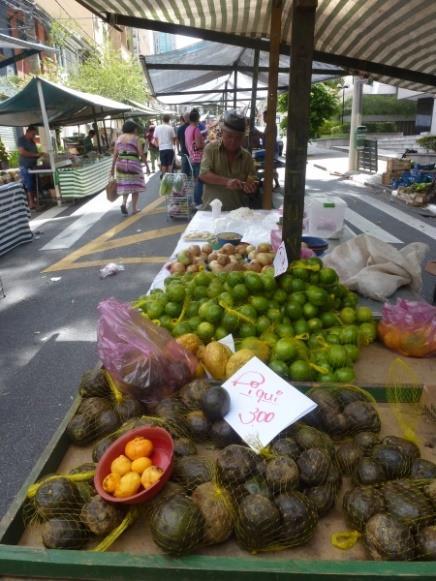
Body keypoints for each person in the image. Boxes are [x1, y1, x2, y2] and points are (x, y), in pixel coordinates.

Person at [199, 110, 257, 211]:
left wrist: (250, 187)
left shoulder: (247, 157)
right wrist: (227, 182)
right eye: (229, 136)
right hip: (211, 212)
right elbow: (203, 175)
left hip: (238, 213)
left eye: (238, 138)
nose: (233, 141)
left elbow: (252, 180)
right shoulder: (210, 149)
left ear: (243, 137)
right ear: (222, 132)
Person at [110, 119, 149, 216]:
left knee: (125, 185)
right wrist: (147, 166)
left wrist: (111, 169)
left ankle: (124, 203)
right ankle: (134, 208)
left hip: (121, 164)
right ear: (133, 129)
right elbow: (141, 153)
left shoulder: (119, 138)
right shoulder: (136, 138)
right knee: (135, 186)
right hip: (133, 164)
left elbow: (115, 155)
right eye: (135, 128)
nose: (136, 130)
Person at [18, 125, 44, 210]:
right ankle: (31, 203)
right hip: (25, 166)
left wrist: (40, 155)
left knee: (35, 183)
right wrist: (35, 155)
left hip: (33, 166)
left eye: (35, 135)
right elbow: (22, 152)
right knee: (29, 184)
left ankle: (36, 201)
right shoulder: (21, 140)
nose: (34, 136)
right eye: (33, 134)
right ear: (28, 132)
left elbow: (35, 153)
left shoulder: (32, 142)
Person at [185, 109, 205, 207]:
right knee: (199, 180)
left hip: (192, 157)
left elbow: (187, 144)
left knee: (196, 180)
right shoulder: (196, 129)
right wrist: (205, 143)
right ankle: (198, 202)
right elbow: (199, 145)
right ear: (197, 118)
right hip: (198, 158)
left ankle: (196, 201)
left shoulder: (187, 129)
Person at [261, 110, 280, 189]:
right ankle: (276, 184)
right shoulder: (269, 125)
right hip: (270, 149)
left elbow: (265, 136)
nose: (263, 118)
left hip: (272, 150)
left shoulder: (271, 125)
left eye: (264, 116)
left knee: (271, 168)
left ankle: (270, 186)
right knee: (272, 168)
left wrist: (257, 133)